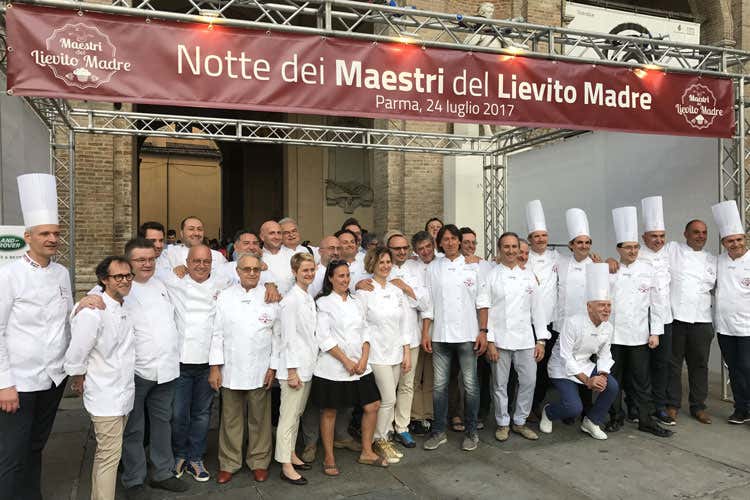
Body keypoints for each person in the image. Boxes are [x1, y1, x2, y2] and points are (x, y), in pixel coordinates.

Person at [77, 238, 189, 498]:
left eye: (151, 259)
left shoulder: (161, 283)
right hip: (135, 372)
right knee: (134, 428)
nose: (147, 264)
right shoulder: (117, 288)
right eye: (140, 260)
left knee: (162, 424)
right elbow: (89, 304)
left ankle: (162, 473)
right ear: (128, 262)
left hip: (166, 370)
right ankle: (134, 479)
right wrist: (84, 300)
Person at [0, 174, 73, 500]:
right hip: (19, 382)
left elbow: (67, 320)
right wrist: (4, 383)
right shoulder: (8, 275)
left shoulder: (62, 273)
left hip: (53, 378)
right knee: (11, 453)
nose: (52, 238)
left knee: (35, 446)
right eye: (44, 233)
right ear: (28, 237)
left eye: (56, 233)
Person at [65, 256, 135, 500]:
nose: (125, 280)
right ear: (104, 279)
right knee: (109, 456)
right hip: (105, 394)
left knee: (108, 454)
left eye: (128, 275)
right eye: (118, 276)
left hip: (123, 392)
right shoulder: (93, 312)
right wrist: (78, 376)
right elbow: (76, 352)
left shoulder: (123, 305)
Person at [161, 245, 232, 482]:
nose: (201, 266)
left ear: (212, 264)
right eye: (196, 261)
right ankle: (179, 454)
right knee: (178, 413)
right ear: (187, 262)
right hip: (180, 361)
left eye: (206, 261)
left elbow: (251, 274)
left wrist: (271, 285)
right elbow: (139, 276)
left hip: (207, 363)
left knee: (202, 414)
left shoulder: (222, 284)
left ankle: (195, 457)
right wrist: (94, 295)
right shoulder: (173, 281)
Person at [310, 261, 388, 476]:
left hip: (361, 365)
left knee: (373, 405)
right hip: (333, 367)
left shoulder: (355, 301)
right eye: (340, 276)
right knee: (329, 411)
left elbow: (365, 330)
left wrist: (364, 358)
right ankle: (329, 457)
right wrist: (345, 361)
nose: (345, 280)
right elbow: (323, 337)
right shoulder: (323, 303)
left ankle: (367, 452)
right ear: (330, 278)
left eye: (347, 275)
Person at [208, 252, 280, 484]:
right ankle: (229, 462)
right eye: (246, 269)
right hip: (231, 368)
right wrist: (215, 368)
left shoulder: (270, 297)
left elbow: (277, 336)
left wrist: (273, 367)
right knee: (230, 419)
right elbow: (217, 334)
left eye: (256, 269)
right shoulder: (225, 297)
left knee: (260, 419)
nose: (251, 273)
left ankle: (259, 461)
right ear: (238, 272)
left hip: (260, 368)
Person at [421, 224, 489, 452]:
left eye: (453, 238)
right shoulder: (434, 268)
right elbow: (429, 304)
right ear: (439, 243)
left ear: (459, 241)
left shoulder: (473, 267)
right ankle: (439, 431)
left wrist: (483, 331)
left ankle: (471, 431)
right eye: (445, 239)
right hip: (440, 335)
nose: (449, 242)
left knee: (470, 385)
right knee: (440, 386)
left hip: (468, 335)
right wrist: (426, 332)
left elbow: (482, 302)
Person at [605, 207, 671, 438]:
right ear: (618, 249)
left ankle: (646, 420)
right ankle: (615, 416)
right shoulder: (609, 270)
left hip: (640, 335)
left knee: (642, 380)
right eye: (628, 247)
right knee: (614, 379)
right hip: (614, 336)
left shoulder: (648, 270)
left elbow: (657, 303)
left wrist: (656, 332)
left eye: (635, 247)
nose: (632, 251)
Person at [481, 232, 547, 442]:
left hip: (525, 339)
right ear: (499, 249)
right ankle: (502, 423)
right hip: (499, 340)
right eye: (506, 247)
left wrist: (541, 340)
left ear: (519, 250)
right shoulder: (491, 276)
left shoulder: (529, 276)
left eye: (514, 247)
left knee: (529, 381)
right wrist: (490, 341)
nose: (510, 251)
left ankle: (520, 421)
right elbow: (486, 309)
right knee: (500, 384)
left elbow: (538, 310)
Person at [540, 263, 619, 440]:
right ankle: (549, 412)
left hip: (584, 364)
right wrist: (588, 380)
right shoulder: (573, 323)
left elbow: (605, 354)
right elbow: (565, 356)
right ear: (589, 307)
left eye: (608, 305)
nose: (606, 309)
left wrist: (602, 376)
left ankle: (592, 421)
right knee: (574, 408)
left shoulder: (608, 327)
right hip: (561, 367)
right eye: (601, 305)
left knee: (612, 386)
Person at [357, 247, 411, 464]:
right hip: (376, 354)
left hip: (395, 352)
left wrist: (406, 351)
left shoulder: (396, 290)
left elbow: (404, 323)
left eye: (388, 262)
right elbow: (360, 325)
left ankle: (385, 436)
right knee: (388, 399)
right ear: (372, 264)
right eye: (381, 262)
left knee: (390, 399)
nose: (386, 266)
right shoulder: (364, 292)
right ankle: (378, 439)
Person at [666, 219, 717, 424]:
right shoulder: (673, 249)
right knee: (673, 364)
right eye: (696, 232)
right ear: (685, 234)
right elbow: (649, 256)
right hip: (676, 317)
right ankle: (672, 404)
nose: (700, 236)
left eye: (704, 232)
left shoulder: (713, 260)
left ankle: (698, 406)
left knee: (700, 365)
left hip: (702, 319)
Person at [275, 253, 318, 485]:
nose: (309, 274)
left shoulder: (307, 296)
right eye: (304, 270)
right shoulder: (291, 300)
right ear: (294, 272)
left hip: (306, 366)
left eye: (312, 269)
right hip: (294, 368)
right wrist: (292, 372)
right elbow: (288, 339)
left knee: (296, 415)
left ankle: (291, 453)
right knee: (288, 418)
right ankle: (285, 465)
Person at [384, 231, 428, 448]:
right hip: (388, 340)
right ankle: (385, 429)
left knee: (407, 385)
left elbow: (425, 304)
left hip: (411, 337)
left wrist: (407, 289)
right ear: (388, 250)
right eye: (396, 248)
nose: (401, 252)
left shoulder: (417, 269)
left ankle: (402, 426)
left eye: (404, 248)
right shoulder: (382, 268)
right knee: (388, 388)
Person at [637, 196, 675, 425]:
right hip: (641, 319)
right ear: (644, 237)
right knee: (641, 366)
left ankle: (659, 406)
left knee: (662, 364)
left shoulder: (671, 254)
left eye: (662, 236)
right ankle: (638, 406)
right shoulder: (635, 254)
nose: (659, 240)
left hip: (665, 318)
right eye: (654, 236)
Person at [711, 201, 750, 424]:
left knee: (747, 368)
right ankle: (741, 409)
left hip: (748, 327)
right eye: (730, 240)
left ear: (744, 239)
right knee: (734, 369)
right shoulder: (718, 262)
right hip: (725, 326)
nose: (735, 244)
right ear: (724, 243)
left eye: (739, 239)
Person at [525, 200, 561, 420]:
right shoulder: (523, 258)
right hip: (527, 322)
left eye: (543, 236)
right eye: (536, 236)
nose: (540, 239)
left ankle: (535, 404)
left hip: (550, 321)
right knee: (526, 369)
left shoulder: (557, 257)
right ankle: (521, 407)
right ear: (529, 239)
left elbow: (581, 260)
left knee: (543, 368)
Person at [408, 231, 437, 435]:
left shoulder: (442, 263)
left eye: (428, 246)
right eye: (420, 249)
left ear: (433, 245)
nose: (425, 251)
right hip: (417, 328)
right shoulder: (411, 267)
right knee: (415, 377)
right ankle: (416, 416)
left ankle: (430, 415)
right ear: (415, 251)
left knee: (432, 377)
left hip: (439, 329)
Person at [260, 220, 296, 295]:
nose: (276, 237)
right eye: (272, 233)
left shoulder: (293, 255)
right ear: (262, 237)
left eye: (279, 233)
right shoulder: (256, 258)